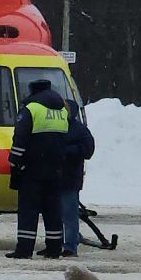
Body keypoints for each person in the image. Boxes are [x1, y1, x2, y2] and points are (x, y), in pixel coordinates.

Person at [5, 79, 72, 259]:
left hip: (33, 168)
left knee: (29, 209)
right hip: (56, 168)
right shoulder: (62, 110)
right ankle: (54, 248)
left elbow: (20, 138)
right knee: (53, 210)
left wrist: (14, 161)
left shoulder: (31, 108)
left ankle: (24, 249)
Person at [54, 98, 96, 257]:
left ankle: (70, 246)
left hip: (69, 179)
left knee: (69, 215)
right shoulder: (72, 129)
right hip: (57, 178)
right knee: (56, 215)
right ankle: (57, 243)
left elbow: (88, 150)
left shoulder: (78, 130)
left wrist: (66, 151)